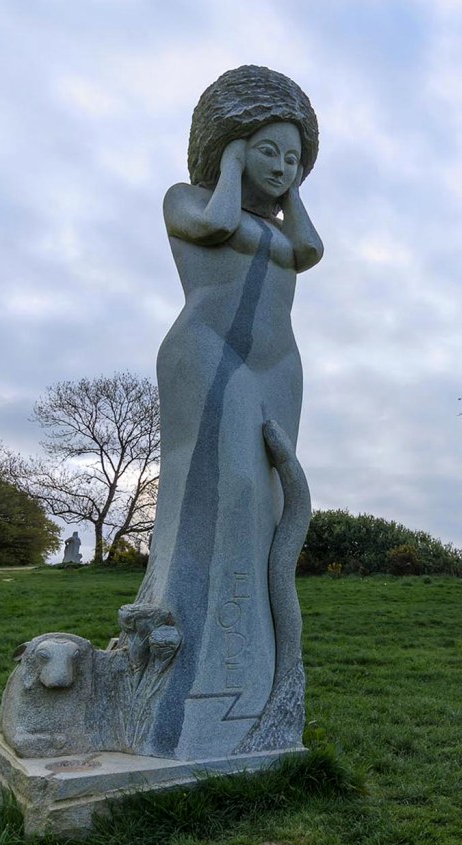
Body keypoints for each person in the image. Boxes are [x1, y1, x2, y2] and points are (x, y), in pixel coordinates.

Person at [135, 66, 322, 756]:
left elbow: (308, 249)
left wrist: (289, 187)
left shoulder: (284, 223)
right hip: (208, 352)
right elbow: (215, 224)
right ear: (233, 146)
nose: (282, 167)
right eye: (268, 150)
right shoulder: (186, 198)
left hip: (279, 362)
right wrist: (233, 164)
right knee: (227, 490)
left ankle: (255, 690)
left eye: (294, 156)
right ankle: (185, 694)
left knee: (269, 500)